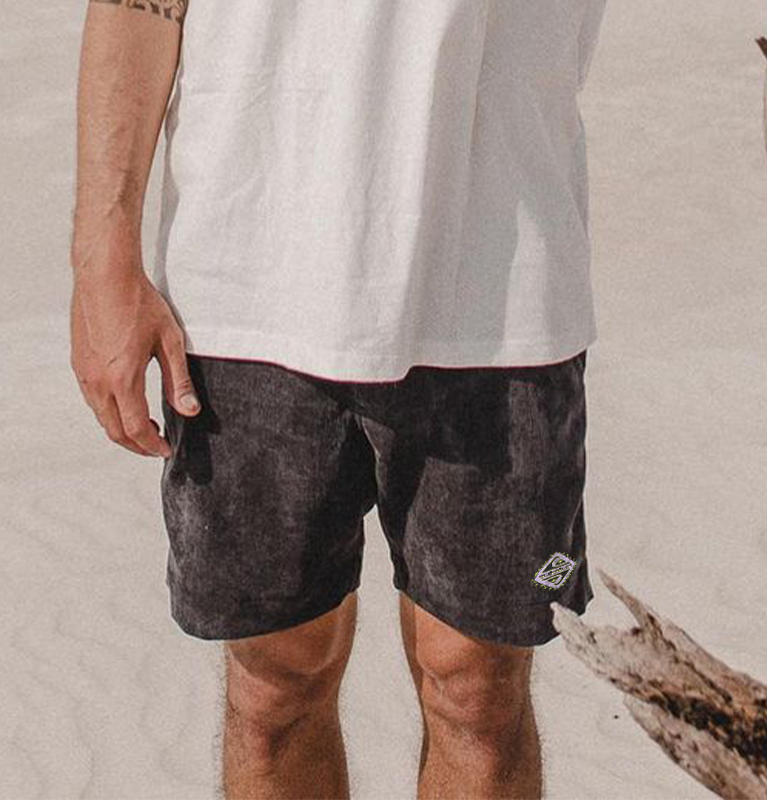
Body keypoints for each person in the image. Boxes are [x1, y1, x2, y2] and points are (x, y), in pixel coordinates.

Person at [69, 0, 607, 797]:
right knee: (274, 687)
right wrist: (102, 254)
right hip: (248, 275)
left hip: (501, 277)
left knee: (477, 695)